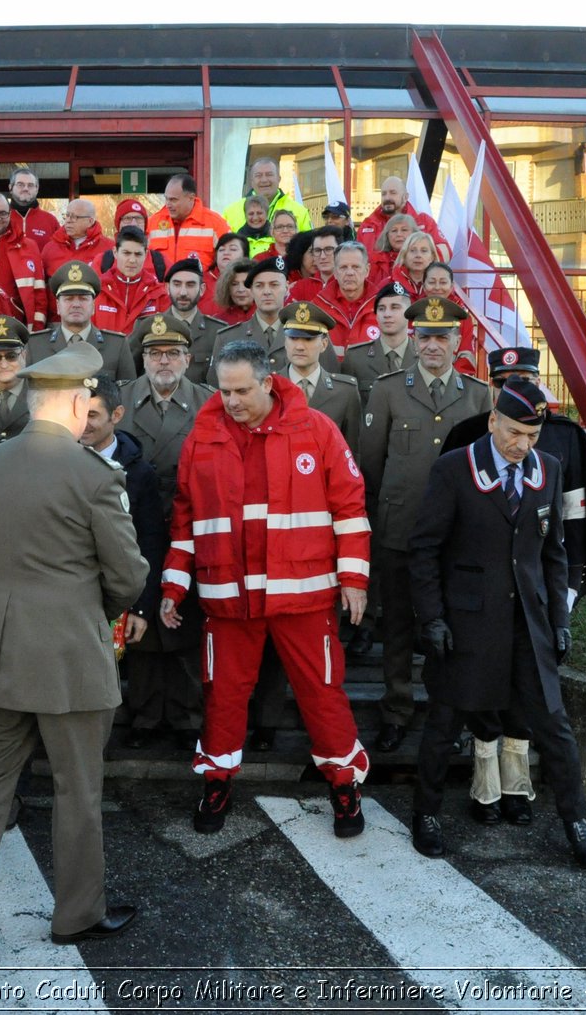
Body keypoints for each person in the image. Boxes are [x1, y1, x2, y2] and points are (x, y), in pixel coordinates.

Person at [0, 342, 149, 970]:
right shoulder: (96, 474)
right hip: (68, 657)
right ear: (75, 402)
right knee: (77, 785)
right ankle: (78, 914)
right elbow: (127, 577)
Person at [161, 339, 371, 838]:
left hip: (303, 595)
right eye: (223, 391)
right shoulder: (202, 438)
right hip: (227, 598)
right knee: (224, 697)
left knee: (322, 694)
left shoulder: (316, 430)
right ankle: (216, 781)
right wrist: (174, 586)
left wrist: (354, 579)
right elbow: (185, 520)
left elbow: (350, 508)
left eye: (240, 391)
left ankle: (344, 787)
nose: (231, 401)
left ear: (268, 381)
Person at [407, 379, 586, 869]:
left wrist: (560, 620)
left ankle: (576, 820)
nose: (521, 445)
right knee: (444, 720)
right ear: (493, 420)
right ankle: (425, 813)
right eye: (513, 432)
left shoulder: (549, 470)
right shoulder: (455, 469)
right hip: (467, 622)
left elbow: (554, 552)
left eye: (532, 436)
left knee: (555, 726)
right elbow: (424, 548)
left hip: (529, 623)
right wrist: (431, 617)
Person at [358, 297, 493, 754]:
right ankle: (396, 710)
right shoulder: (388, 389)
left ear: (458, 341)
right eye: (425, 336)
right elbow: (370, 465)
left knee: (451, 627)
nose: (433, 344)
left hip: (456, 536)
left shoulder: (478, 395)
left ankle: (446, 713)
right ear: (413, 338)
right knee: (395, 624)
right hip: (401, 530)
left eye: (442, 336)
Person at [117, 313, 212, 749]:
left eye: (173, 353)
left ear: (188, 357)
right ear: (143, 359)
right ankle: (144, 715)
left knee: (185, 620)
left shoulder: (208, 402)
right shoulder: (121, 399)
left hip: (190, 526)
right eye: (154, 354)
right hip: (133, 526)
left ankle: (186, 713)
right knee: (140, 621)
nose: (163, 362)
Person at [79, 373, 166, 746]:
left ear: (117, 414)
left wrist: (142, 608)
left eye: (94, 415)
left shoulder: (140, 473)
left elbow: (150, 540)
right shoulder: (60, 460)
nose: (84, 424)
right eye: (79, 413)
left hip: (120, 591)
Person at [210, 255, 340, 381]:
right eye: (259, 286)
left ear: (287, 288)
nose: (267, 291)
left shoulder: (313, 333)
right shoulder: (228, 337)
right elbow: (217, 387)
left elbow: (329, 383)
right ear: (252, 291)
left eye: (274, 285)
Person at [27, 260, 136, 381]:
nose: (76, 304)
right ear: (58, 306)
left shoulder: (116, 346)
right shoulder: (36, 345)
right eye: (69, 299)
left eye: (83, 299)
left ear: (93, 305)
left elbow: (128, 394)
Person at [280, 301, 361, 454]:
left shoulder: (345, 392)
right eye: (293, 338)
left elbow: (351, 452)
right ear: (285, 342)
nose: (299, 346)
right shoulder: (270, 388)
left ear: (324, 344)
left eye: (308, 339)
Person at [134, 257, 226, 379]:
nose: (183, 292)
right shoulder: (147, 326)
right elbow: (131, 376)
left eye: (190, 285)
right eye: (177, 284)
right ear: (167, 288)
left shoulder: (218, 332)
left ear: (202, 289)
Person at [0, 192, 50, 329]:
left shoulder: (29, 246)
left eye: (3, 213)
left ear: (10, 213)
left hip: (16, 326)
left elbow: (39, 294)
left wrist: (36, 330)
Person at [341, 282, 416, 400]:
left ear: (409, 313)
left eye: (395, 307)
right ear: (376, 315)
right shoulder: (356, 358)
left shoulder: (423, 355)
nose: (387, 314)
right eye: (381, 309)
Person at [94, 225, 170, 336]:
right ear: (115, 252)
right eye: (126, 253)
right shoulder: (97, 291)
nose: (132, 260)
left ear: (146, 254)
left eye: (138, 254)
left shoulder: (158, 294)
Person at [148, 172, 231, 273]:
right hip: (161, 288)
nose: (168, 204)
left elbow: (231, 262)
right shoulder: (152, 223)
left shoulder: (215, 224)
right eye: (166, 199)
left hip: (202, 287)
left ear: (191, 198)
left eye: (173, 200)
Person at [356, 175, 447, 262]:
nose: (387, 197)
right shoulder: (368, 224)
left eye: (393, 193)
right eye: (383, 194)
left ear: (405, 197)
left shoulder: (423, 221)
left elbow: (446, 253)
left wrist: (417, 261)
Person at [221, 156, 311, 235]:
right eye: (258, 175)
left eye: (269, 175)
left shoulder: (299, 212)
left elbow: (307, 246)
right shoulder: (230, 212)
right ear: (251, 181)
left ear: (279, 179)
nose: (264, 180)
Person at [100, 198, 168, 281]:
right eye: (128, 218)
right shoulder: (103, 261)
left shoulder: (161, 262)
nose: (134, 223)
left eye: (139, 219)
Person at [41, 199, 112, 276]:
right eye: (67, 216)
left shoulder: (109, 248)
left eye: (74, 217)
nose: (68, 220)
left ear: (90, 221)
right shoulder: (50, 248)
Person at [285, 228, 342, 304]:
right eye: (317, 250)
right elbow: (288, 314)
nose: (322, 256)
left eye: (328, 249)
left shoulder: (349, 284)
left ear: (340, 251)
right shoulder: (300, 287)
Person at [8, 167, 61, 249]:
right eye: (20, 184)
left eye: (30, 185)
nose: (25, 188)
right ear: (10, 187)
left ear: (37, 189)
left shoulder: (51, 221)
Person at [201, 231, 248, 312]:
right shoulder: (201, 280)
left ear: (245, 255)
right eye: (221, 250)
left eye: (233, 249)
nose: (226, 253)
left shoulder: (253, 281)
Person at [367, 212, 417, 286]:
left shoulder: (421, 259)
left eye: (404, 230)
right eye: (394, 230)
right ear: (387, 236)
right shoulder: (374, 261)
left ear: (414, 233)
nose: (399, 234)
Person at [205, 258, 256, 324]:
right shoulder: (218, 322)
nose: (240, 289)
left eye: (246, 283)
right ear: (227, 288)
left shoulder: (270, 318)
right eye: (234, 284)